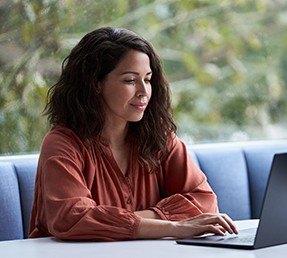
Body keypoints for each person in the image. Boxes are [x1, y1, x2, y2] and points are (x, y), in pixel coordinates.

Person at [28, 27, 238, 241]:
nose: (144, 91)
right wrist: (174, 226)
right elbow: (72, 218)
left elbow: (204, 201)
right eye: (130, 80)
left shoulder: (159, 137)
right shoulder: (62, 143)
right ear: (95, 83)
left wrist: (119, 221)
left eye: (147, 79)